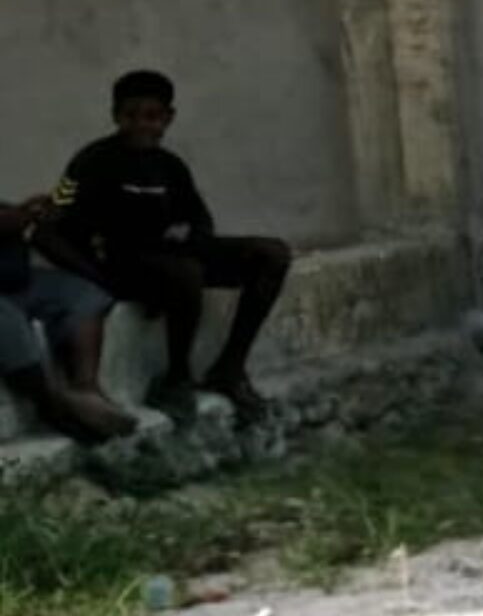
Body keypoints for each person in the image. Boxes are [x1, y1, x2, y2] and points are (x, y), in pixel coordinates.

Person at [39, 69, 295, 420]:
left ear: (168, 119)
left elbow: (200, 222)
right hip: (120, 265)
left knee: (272, 254)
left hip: (172, 260)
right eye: (131, 116)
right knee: (186, 272)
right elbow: (46, 230)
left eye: (152, 117)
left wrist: (191, 234)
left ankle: (229, 369)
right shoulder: (91, 162)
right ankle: (176, 379)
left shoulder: (171, 167)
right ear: (116, 116)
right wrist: (95, 277)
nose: (142, 125)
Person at [0, 194, 130, 443]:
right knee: (9, 323)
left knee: (83, 294)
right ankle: (54, 406)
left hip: (16, 281)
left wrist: (29, 212)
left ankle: (86, 388)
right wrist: (22, 215)